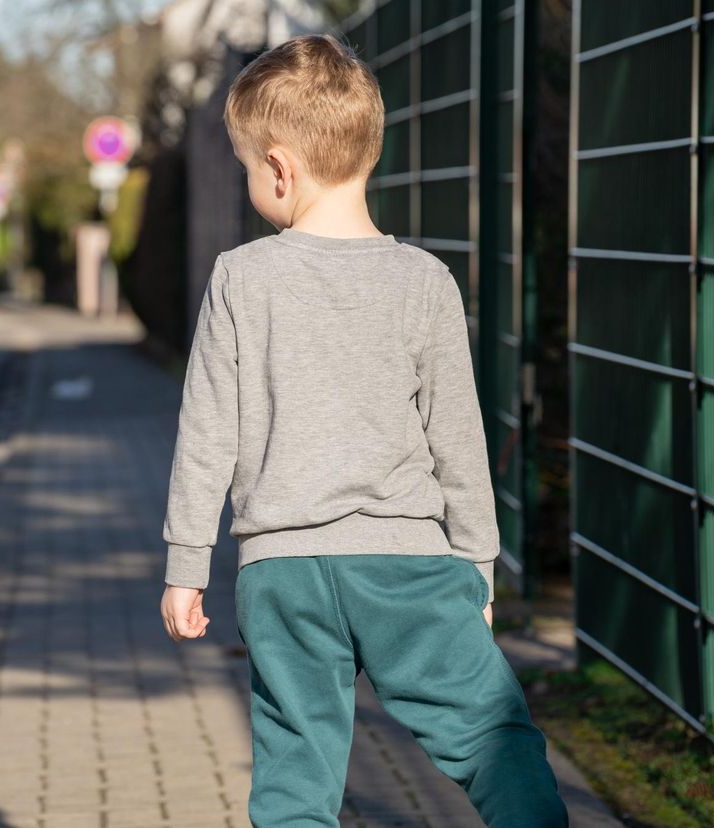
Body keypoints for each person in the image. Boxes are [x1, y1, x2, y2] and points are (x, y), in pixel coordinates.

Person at [158, 33, 569, 828]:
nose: (252, 185)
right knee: (492, 736)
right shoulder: (425, 282)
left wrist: (185, 566)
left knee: (296, 764)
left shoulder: (242, 278)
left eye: (248, 169)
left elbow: (207, 429)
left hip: (283, 572)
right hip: (408, 566)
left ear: (279, 167)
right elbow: (458, 441)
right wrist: (477, 566)